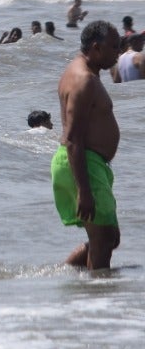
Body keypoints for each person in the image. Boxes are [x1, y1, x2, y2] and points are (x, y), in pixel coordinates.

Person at [52, 20, 122, 270]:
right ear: (96, 48)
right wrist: (84, 190)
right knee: (103, 239)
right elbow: (73, 138)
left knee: (109, 238)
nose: (119, 51)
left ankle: (62, 276)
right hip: (83, 164)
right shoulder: (83, 80)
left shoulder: (85, 72)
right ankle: (95, 300)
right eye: (114, 46)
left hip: (92, 164)